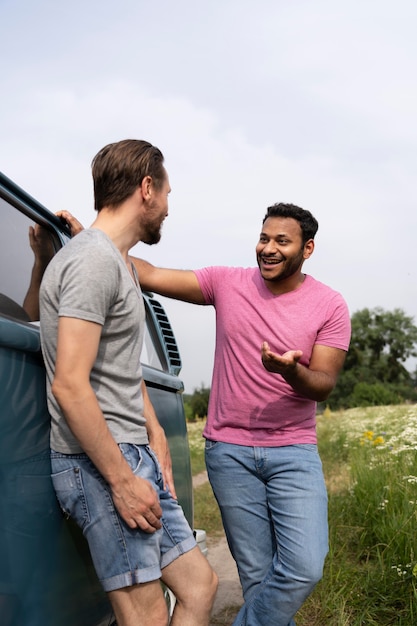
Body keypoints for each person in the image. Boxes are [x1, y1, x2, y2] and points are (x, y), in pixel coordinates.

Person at [131, 202, 351, 626]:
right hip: (228, 451)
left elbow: (323, 383)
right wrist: (96, 240)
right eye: (264, 238)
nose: (267, 248)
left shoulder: (329, 305)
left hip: (293, 450)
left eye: (281, 242)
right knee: (256, 575)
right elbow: (151, 273)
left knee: (305, 566)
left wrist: (292, 372)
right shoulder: (225, 283)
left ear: (307, 249)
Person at [39, 139, 218, 626]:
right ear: (146, 189)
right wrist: (120, 480)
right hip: (101, 464)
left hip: (132, 451)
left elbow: (116, 365)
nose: (167, 206)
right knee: (144, 618)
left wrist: (155, 433)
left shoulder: (111, 261)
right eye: (166, 192)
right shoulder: (92, 261)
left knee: (200, 586)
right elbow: (71, 386)